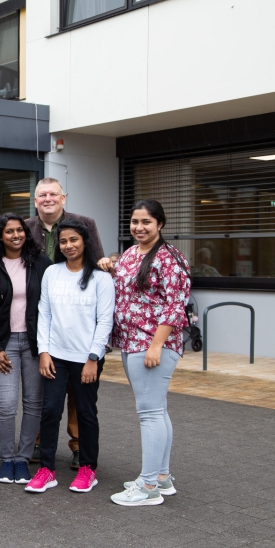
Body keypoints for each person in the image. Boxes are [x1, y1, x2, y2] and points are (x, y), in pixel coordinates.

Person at [100, 200, 191, 507]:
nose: (139, 227)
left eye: (146, 222)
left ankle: (148, 485)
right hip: (130, 341)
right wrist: (108, 265)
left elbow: (175, 306)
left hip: (152, 345)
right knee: (157, 410)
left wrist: (156, 345)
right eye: (135, 221)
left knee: (149, 413)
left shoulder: (169, 258)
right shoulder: (131, 253)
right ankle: (162, 478)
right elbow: (125, 287)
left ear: (160, 225)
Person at [26, 220, 114, 495]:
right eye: (63, 241)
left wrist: (93, 358)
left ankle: (88, 468)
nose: (68, 246)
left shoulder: (101, 278)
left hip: (86, 358)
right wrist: (43, 352)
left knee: (87, 413)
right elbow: (45, 315)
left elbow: (105, 321)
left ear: (85, 242)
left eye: (74, 240)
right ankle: (47, 469)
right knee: (50, 411)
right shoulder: (52, 273)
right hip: (56, 356)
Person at [0, 214, 52, 484]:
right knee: (6, 405)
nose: (16, 235)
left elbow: (52, 303)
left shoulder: (41, 262)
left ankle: (23, 459)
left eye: (20, 230)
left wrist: (47, 347)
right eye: (9, 231)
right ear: (0, 235)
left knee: (33, 404)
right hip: (4, 345)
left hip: (34, 345)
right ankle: (7, 460)